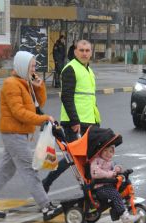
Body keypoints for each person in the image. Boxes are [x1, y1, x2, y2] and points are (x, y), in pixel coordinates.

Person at [0, 51, 62, 221]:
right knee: (30, 169)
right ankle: (46, 207)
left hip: (18, 133)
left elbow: (38, 105)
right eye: (32, 66)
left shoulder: (25, 83)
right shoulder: (11, 84)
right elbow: (19, 112)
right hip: (13, 132)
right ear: (22, 66)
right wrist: (43, 119)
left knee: (6, 169)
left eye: (35, 65)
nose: (35, 69)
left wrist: (39, 85)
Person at [42, 40, 101, 193]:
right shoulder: (70, 69)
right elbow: (66, 97)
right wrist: (75, 121)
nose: (85, 53)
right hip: (74, 122)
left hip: (89, 121)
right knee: (74, 158)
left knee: (86, 157)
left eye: (88, 50)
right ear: (75, 52)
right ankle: (47, 183)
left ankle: (89, 189)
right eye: (81, 50)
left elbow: (89, 98)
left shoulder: (88, 70)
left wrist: (96, 121)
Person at [90, 145, 140, 223]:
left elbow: (116, 166)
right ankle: (125, 219)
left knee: (124, 185)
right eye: (105, 150)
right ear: (100, 151)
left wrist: (118, 169)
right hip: (100, 187)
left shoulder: (110, 161)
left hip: (110, 184)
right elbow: (95, 173)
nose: (108, 153)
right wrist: (109, 174)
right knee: (115, 195)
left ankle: (125, 206)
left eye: (110, 151)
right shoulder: (96, 161)